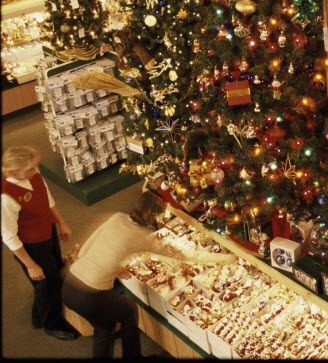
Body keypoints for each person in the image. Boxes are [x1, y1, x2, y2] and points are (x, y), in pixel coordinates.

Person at [61, 191, 233, 358]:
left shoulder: (117, 217)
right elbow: (185, 255)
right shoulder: (140, 236)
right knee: (128, 311)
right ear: (153, 214)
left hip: (69, 286)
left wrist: (113, 267)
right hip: (92, 295)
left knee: (104, 328)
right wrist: (228, 258)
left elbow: (84, 251)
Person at [2, 145, 79, 341]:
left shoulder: (32, 175)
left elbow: (47, 199)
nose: (36, 171)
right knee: (46, 283)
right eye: (30, 169)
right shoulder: (6, 197)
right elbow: (9, 236)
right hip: (31, 246)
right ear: (12, 172)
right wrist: (31, 265)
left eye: (35, 166)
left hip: (47, 232)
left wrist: (61, 223)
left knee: (56, 270)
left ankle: (38, 314)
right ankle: (51, 324)